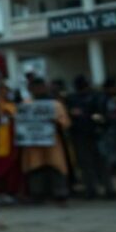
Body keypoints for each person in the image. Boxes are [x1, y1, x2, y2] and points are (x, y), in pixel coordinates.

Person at [21, 77, 72, 205]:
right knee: (35, 167)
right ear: (31, 89)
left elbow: (65, 122)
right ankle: (37, 194)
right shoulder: (26, 104)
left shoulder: (55, 104)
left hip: (52, 142)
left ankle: (60, 193)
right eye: (35, 87)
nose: (38, 90)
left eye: (41, 87)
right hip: (33, 143)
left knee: (56, 166)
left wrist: (55, 122)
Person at [65, 75, 114, 199]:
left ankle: (108, 189)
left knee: (102, 163)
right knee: (86, 165)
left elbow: (102, 117)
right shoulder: (72, 99)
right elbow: (69, 116)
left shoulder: (97, 97)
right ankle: (91, 190)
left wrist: (90, 117)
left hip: (96, 134)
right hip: (80, 135)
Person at [0, 82, 21, 204]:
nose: (3, 93)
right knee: (1, 166)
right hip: (0, 140)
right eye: (1, 90)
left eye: (6, 90)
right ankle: (1, 192)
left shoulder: (13, 106)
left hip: (12, 138)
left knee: (13, 165)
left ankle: (12, 191)